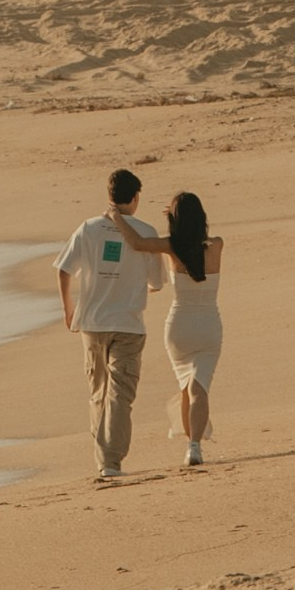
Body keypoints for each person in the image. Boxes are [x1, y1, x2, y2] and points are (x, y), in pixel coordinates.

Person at [55, 168, 165, 480]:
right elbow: (157, 284)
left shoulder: (88, 228)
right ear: (135, 198)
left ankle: (105, 458)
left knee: (98, 391)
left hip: (91, 323)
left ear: (109, 196)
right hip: (128, 323)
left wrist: (68, 309)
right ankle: (111, 460)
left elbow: (63, 270)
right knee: (120, 394)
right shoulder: (145, 230)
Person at [107, 190, 224, 468]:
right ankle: (194, 447)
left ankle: (192, 445)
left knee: (187, 388)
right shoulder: (217, 244)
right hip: (209, 325)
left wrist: (115, 217)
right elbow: (199, 242)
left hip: (179, 327)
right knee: (200, 388)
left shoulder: (171, 245)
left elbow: (136, 243)